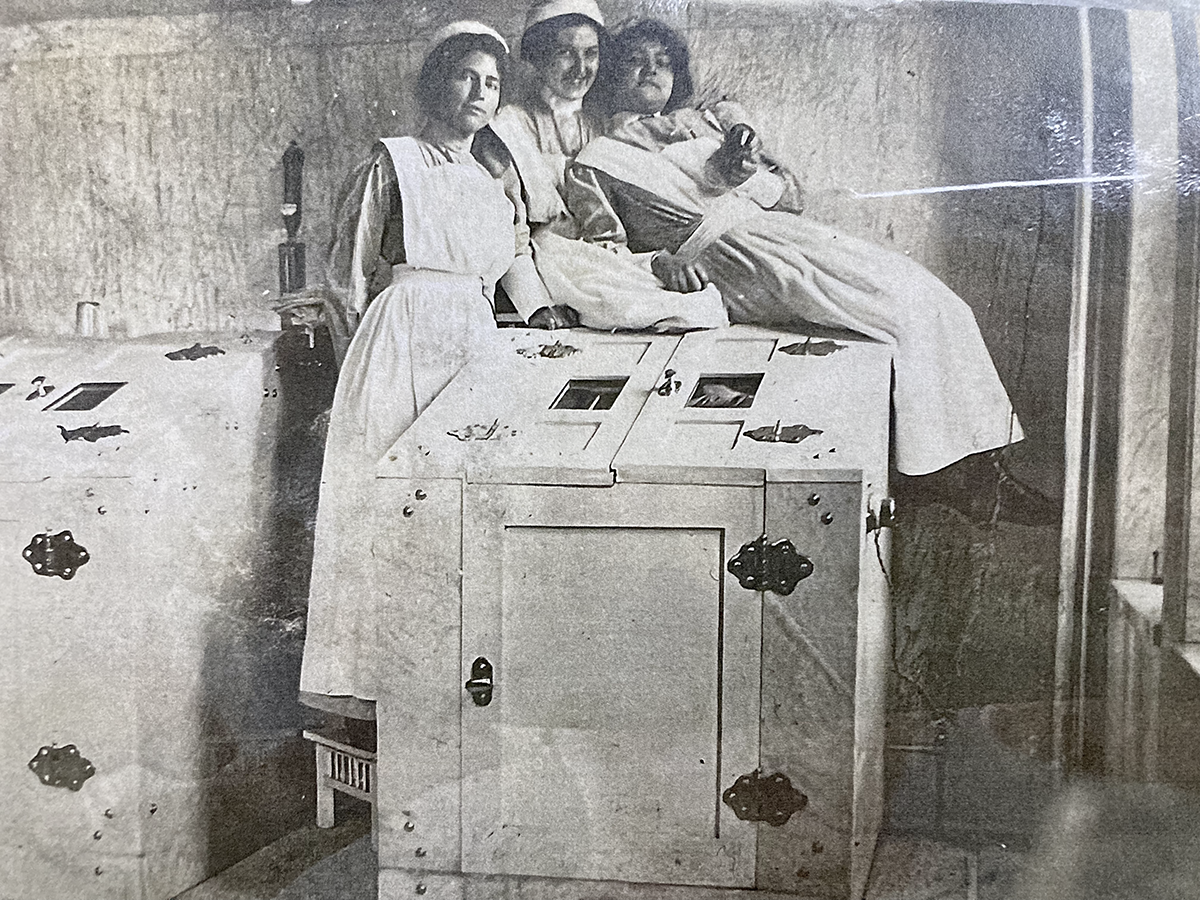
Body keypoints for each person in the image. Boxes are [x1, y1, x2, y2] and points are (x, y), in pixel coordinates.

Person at [568, 17, 1029, 488]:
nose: (651, 71)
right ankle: (942, 477)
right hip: (727, 260)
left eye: (663, 63)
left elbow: (791, 197)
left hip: (779, 233)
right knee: (897, 309)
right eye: (635, 62)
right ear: (610, 74)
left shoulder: (702, 125)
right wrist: (657, 263)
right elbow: (601, 247)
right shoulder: (597, 160)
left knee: (931, 296)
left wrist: (746, 171)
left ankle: (982, 465)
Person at [300, 21, 547, 719]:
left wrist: (537, 316)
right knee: (384, 505)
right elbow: (345, 278)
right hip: (400, 334)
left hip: (471, 339)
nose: (480, 92)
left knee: (457, 507)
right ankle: (380, 694)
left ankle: (448, 698)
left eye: (493, 83)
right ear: (437, 82)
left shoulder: (489, 179)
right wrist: (357, 377)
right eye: (467, 76)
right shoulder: (394, 160)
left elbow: (513, 267)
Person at [482, 0, 727, 332]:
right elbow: (508, 229)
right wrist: (534, 305)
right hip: (550, 260)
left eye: (591, 54)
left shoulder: (609, 124)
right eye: (565, 53)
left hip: (618, 259)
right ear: (538, 57)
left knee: (696, 303)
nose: (581, 68)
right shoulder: (508, 127)